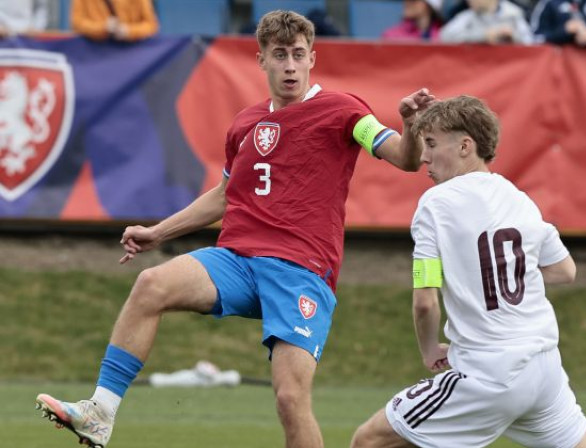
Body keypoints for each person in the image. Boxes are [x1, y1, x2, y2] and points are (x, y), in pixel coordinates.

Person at [34, 10, 434, 448]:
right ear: (260, 60)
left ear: (312, 58)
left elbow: (405, 158)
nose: (289, 65)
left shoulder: (344, 110)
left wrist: (411, 126)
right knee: (151, 284)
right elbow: (225, 196)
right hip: (238, 262)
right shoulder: (245, 124)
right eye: (279, 55)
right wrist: (158, 233)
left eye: (298, 54)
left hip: (300, 271)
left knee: (289, 398)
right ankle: (100, 412)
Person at [350, 95, 586, 448]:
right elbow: (564, 270)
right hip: (544, 369)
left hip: (490, 373)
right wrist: (493, 275)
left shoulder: (435, 204)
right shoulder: (519, 199)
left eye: (433, 144)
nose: (423, 157)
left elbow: (425, 301)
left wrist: (428, 350)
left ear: (466, 145)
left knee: (370, 440)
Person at [440, 0, 534, 44]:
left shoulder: (513, 13)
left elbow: (530, 43)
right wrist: (482, 36)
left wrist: (513, 37)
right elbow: (444, 36)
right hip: (478, 72)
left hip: (509, 73)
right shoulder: (467, 17)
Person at [71, 0, 158, 42]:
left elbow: (151, 25)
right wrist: (103, 27)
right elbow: (76, 23)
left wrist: (128, 31)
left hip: (130, 53)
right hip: (95, 53)